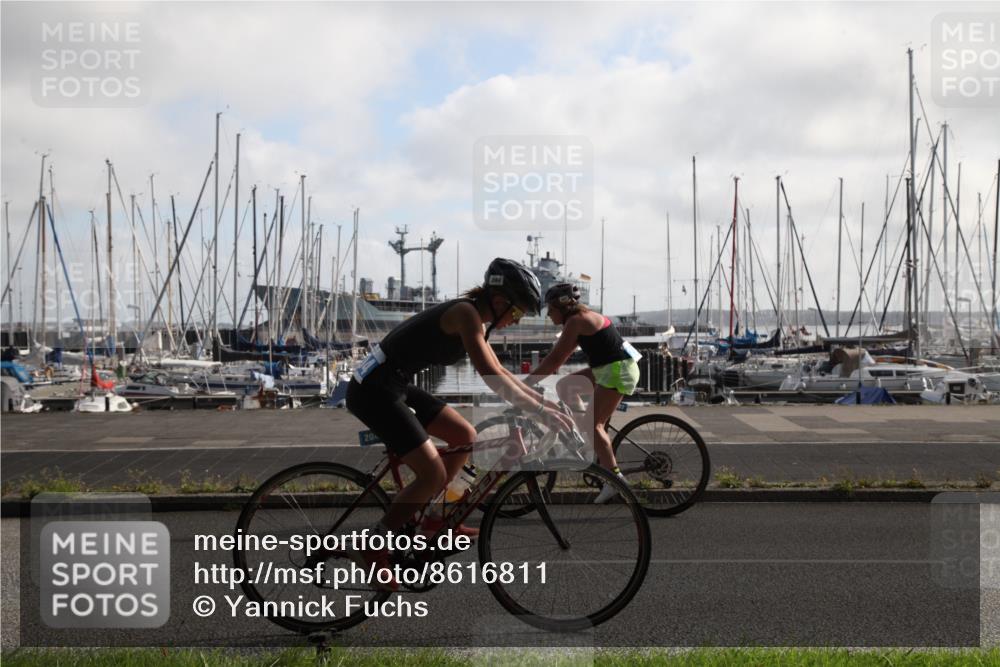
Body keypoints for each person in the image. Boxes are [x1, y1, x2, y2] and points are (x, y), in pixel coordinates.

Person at [346, 258, 572, 590]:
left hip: (394, 383)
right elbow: (492, 378)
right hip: (373, 390)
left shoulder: (476, 320)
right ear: (498, 302)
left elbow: (502, 373)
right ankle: (371, 546)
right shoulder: (466, 315)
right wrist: (540, 411)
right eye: (517, 312)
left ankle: (435, 519)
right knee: (433, 472)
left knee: (465, 435)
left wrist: (544, 404)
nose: (515, 320)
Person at [524, 283, 641, 504]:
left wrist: (527, 382)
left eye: (550, 308)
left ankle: (615, 481)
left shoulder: (576, 322)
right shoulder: (583, 316)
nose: (548, 313)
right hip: (611, 367)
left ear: (563, 306)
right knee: (566, 386)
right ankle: (585, 437)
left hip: (618, 371)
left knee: (592, 425)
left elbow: (555, 359)